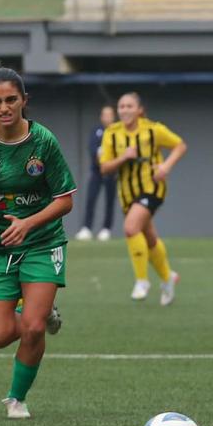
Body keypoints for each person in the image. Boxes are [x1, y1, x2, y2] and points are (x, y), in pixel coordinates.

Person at [0, 65, 76, 419]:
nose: (4, 107)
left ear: (25, 100)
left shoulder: (44, 142)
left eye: (11, 99)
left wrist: (28, 224)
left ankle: (16, 398)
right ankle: (37, 311)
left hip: (41, 242)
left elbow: (65, 199)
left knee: (35, 328)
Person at [99, 91, 186, 305]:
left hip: (152, 188)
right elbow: (104, 168)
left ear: (139, 110)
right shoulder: (111, 133)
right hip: (127, 194)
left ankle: (142, 280)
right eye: (121, 106)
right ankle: (168, 278)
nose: (125, 110)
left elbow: (180, 145)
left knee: (130, 228)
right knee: (149, 237)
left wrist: (165, 166)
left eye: (129, 106)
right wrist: (123, 158)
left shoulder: (153, 130)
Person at [76, 104, 116, 241]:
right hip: (97, 172)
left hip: (111, 173)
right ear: (101, 117)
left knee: (110, 201)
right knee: (91, 199)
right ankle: (86, 228)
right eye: (105, 115)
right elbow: (92, 149)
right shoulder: (97, 131)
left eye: (110, 115)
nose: (107, 117)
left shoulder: (117, 131)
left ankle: (106, 229)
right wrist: (101, 158)